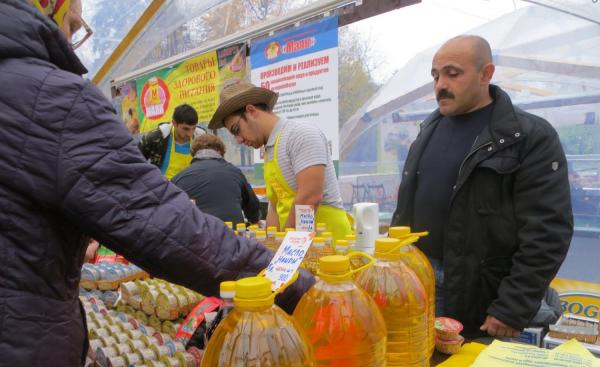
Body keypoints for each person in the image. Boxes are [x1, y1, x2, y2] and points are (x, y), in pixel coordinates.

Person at [0, 1, 313, 367]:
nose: (74, 39)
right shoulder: (46, 95)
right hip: (18, 364)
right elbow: (172, 229)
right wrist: (301, 288)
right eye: (74, 25)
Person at [391, 35, 573, 338]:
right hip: (420, 281)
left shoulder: (527, 136)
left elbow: (548, 231)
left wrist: (512, 306)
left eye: (453, 73)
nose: (440, 85)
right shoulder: (429, 130)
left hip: (483, 291)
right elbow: (406, 209)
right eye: (436, 76)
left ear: (486, 73)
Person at [208, 81, 352, 239]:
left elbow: (310, 197)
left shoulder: (301, 134)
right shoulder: (270, 149)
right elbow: (275, 207)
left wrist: (284, 246)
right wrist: (270, 245)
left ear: (251, 111)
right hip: (298, 246)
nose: (239, 140)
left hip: (330, 245)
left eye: (237, 130)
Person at [172, 133, 260, 227]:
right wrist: (254, 219)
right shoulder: (234, 172)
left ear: (193, 154)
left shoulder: (178, 178)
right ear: (221, 152)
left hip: (196, 237)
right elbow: (253, 208)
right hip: (232, 236)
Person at [138, 103, 206, 179]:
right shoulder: (155, 138)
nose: (190, 134)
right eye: (185, 129)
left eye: (193, 128)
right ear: (174, 123)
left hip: (191, 187)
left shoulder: (202, 139)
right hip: (162, 187)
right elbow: (135, 162)